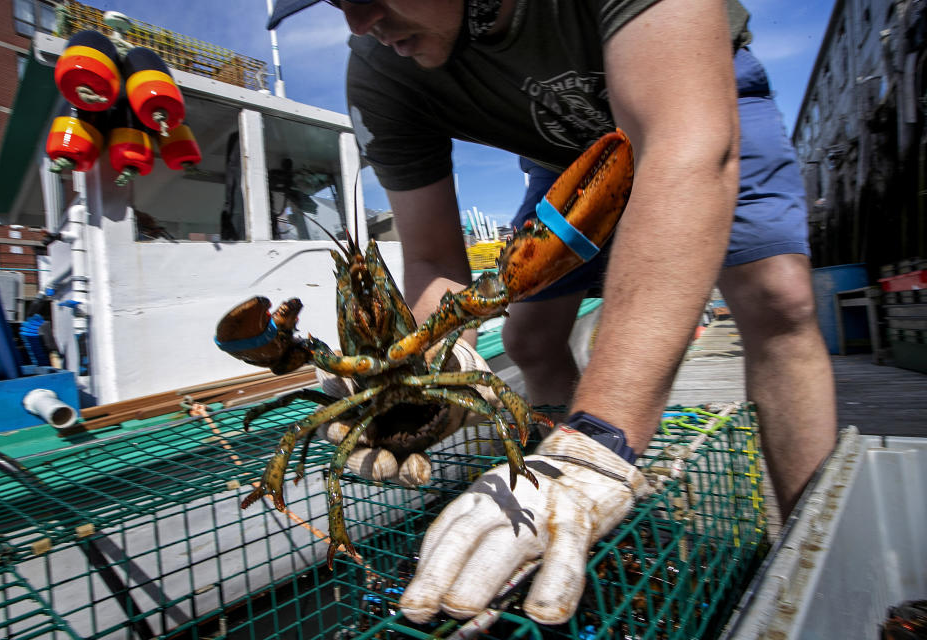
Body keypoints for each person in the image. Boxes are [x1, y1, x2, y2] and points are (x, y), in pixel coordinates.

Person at [270, 0, 838, 627]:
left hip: (693, 97)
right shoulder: (380, 72)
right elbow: (432, 258)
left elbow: (686, 152)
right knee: (532, 337)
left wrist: (600, 441)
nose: (358, 21)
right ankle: (558, 514)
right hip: (564, 159)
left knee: (778, 299)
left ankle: (815, 552)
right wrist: (436, 356)